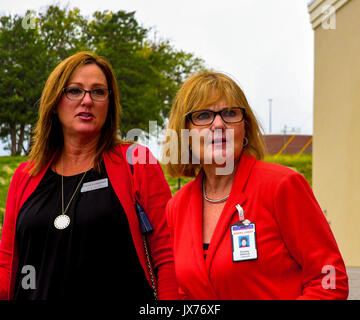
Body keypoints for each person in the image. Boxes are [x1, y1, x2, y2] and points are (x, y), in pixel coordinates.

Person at [0, 51, 178, 300]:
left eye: (98, 92)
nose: (87, 100)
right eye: (74, 90)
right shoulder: (25, 176)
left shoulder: (136, 161)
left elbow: (167, 256)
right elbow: (7, 266)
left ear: (109, 103)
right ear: (54, 102)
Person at [164, 71, 349, 299]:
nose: (219, 124)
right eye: (203, 115)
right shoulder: (177, 206)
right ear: (184, 134)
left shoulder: (282, 185)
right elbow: (184, 293)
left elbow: (330, 279)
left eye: (230, 113)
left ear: (244, 128)